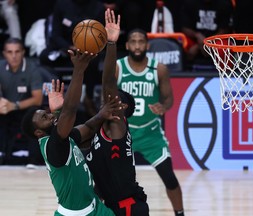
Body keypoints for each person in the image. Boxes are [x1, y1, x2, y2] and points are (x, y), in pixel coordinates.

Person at [21, 48, 120, 215]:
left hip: (95, 206)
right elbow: (71, 111)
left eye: (48, 113)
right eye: (45, 117)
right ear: (38, 133)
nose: (50, 116)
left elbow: (88, 129)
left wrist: (102, 114)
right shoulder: (54, 147)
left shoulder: (63, 138)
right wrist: (79, 70)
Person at [85, 9, 149, 216]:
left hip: (128, 208)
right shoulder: (101, 128)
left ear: (122, 109)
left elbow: (109, 83)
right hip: (113, 206)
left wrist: (111, 44)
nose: (109, 98)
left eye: (114, 98)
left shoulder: (116, 125)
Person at [116, 28, 185, 216]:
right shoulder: (118, 67)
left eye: (141, 42)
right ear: (127, 45)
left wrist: (163, 106)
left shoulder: (159, 69)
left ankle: (180, 213)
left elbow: (168, 98)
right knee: (109, 181)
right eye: (133, 41)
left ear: (147, 45)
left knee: (170, 179)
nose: (137, 45)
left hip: (151, 133)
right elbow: (106, 98)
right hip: (123, 134)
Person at [39, 0, 106, 117]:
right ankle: (51, 97)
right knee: (44, 57)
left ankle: (88, 98)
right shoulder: (61, 4)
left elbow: (101, 37)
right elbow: (55, 35)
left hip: (88, 49)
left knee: (94, 60)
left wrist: (85, 46)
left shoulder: (98, 7)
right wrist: (69, 47)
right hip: (65, 48)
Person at [0, 37, 43, 166]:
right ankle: (2, 153)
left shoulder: (33, 69)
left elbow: (38, 99)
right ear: (4, 54)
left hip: (25, 109)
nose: (14, 56)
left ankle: (33, 160)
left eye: (17, 51)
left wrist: (14, 105)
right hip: (5, 108)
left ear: (23, 52)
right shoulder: (0, 67)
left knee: (35, 116)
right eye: (10, 52)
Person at [181, 0, 233, 65]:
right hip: (195, 39)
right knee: (183, 45)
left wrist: (206, 42)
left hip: (217, 39)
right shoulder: (189, 3)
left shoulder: (224, 3)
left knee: (223, 48)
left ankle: (225, 72)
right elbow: (185, 28)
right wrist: (197, 35)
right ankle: (186, 71)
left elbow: (225, 30)